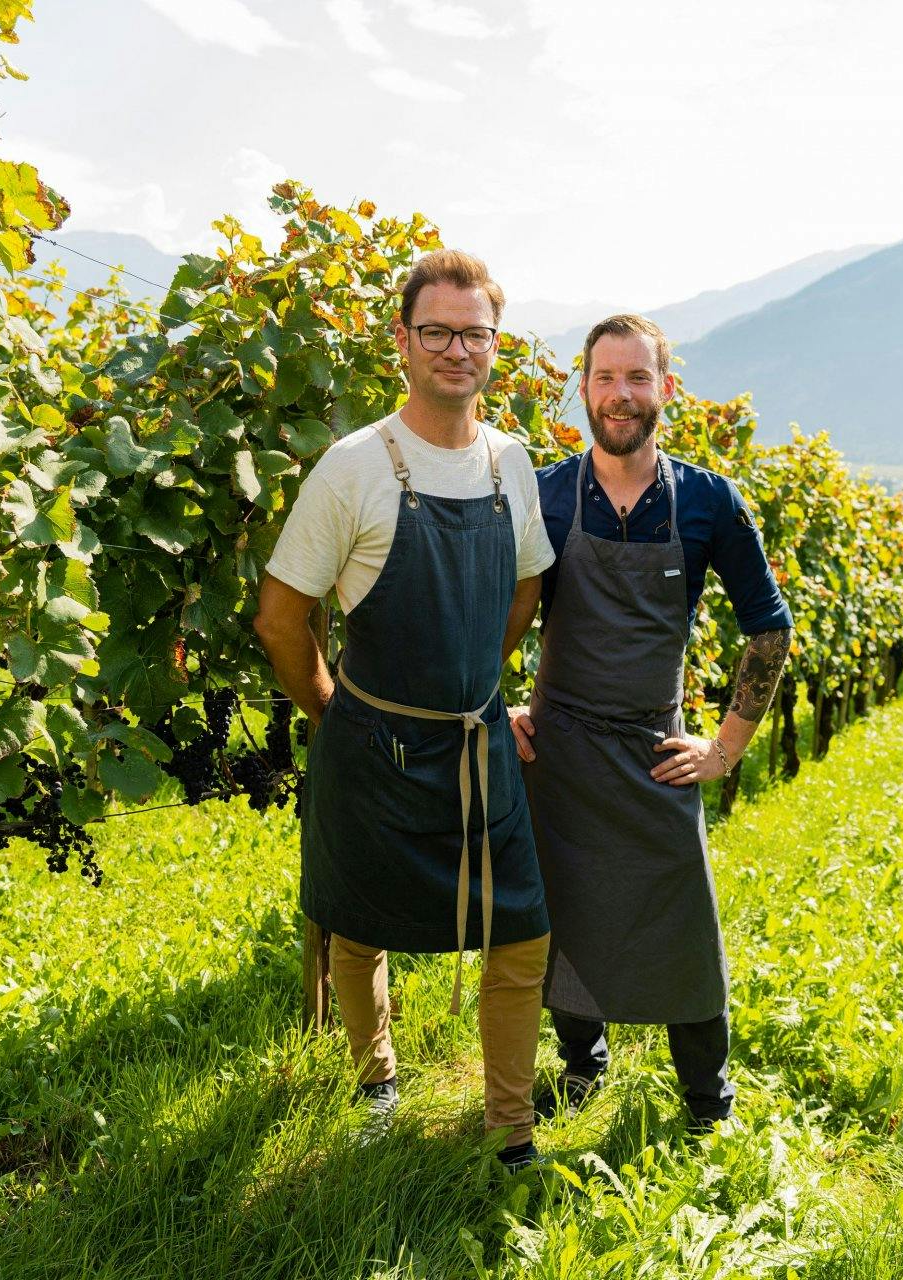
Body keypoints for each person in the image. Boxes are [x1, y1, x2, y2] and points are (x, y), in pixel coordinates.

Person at [254, 249, 554, 1169]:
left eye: (475, 333)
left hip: (476, 741)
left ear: (494, 345)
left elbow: (526, 588)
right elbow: (280, 616)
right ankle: (375, 1083)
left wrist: (474, 682)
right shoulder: (356, 466)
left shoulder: (510, 462)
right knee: (358, 924)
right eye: (437, 332)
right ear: (403, 341)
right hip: (372, 743)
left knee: (523, 929)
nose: (457, 350)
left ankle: (509, 1126)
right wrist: (333, 709)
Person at [511, 313, 792, 1131]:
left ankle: (707, 1106)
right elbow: (493, 611)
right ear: (584, 389)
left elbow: (770, 629)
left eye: (638, 377)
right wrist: (502, 704)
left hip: (654, 752)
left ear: (666, 388)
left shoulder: (708, 501)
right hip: (559, 752)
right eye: (606, 377)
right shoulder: (546, 495)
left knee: (684, 929)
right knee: (567, 918)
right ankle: (581, 1069)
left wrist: (725, 749)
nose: (621, 394)